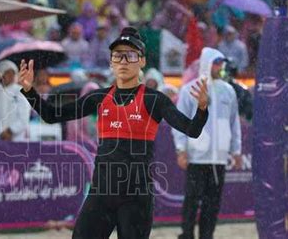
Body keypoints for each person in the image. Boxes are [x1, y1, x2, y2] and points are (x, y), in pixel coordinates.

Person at [18, 27, 210, 239]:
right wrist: (29, 92)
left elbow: (192, 130)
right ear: (111, 63)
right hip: (101, 194)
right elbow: (52, 115)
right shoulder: (99, 97)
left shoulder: (154, 99)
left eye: (131, 55)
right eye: (118, 56)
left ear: (142, 62)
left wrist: (202, 109)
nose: (124, 61)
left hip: (135, 197)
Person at [172, 47, 242, 239]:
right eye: (216, 63)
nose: (220, 67)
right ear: (206, 63)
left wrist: (236, 150)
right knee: (192, 202)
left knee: (213, 203)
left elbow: (234, 122)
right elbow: (179, 122)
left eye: (221, 63)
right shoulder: (189, 90)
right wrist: (181, 150)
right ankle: (186, 234)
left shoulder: (228, 91)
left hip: (218, 159)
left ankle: (206, 236)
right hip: (196, 157)